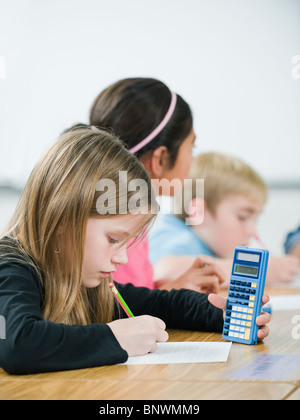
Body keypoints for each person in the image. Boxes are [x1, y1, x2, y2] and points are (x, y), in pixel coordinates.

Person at [0, 126, 270, 375]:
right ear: (63, 219)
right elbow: (17, 343)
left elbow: (156, 303)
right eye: (113, 238)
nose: (122, 257)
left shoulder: (81, 278)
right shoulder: (10, 266)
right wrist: (115, 339)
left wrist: (221, 314)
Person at [89, 77, 225, 293]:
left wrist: (172, 290)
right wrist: (171, 295)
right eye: (191, 148)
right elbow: (116, 311)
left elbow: (133, 296)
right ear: (161, 159)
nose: (193, 160)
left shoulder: (128, 217)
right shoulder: (119, 230)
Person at [149, 152, 300, 286]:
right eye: (243, 217)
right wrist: (257, 271)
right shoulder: (178, 237)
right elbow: (164, 272)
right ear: (199, 212)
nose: (252, 230)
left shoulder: (210, 244)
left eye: (255, 219)